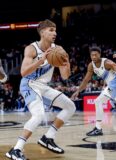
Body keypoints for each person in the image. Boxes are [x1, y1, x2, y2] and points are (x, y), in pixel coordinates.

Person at [6, 19, 76, 160]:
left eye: (55, 30)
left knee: (70, 106)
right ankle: (15, 149)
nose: (54, 33)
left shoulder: (58, 49)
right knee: (38, 115)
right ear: (42, 32)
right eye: (51, 30)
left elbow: (64, 76)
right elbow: (23, 72)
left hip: (43, 87)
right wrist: (40, 60)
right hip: (29, 84)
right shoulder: (31, 49)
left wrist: (66, 65)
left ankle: (48, 137)